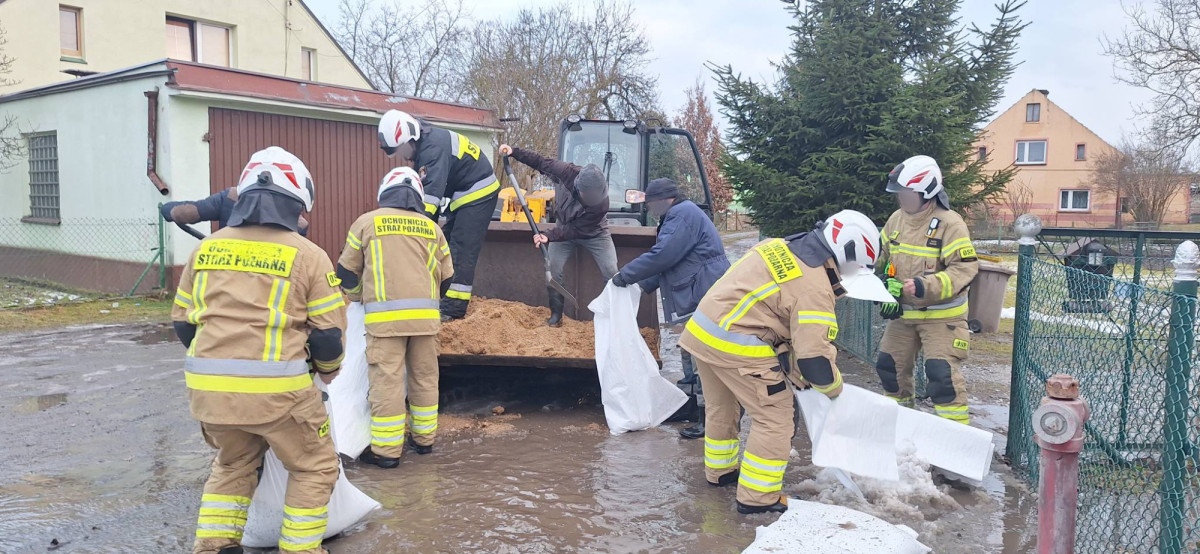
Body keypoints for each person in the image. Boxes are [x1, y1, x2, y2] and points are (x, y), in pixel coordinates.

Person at [171, 146, 347, 554]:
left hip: (211, 392)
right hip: (278, 395)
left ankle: (214, 547)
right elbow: (327, 337)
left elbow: (183, 324)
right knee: (315, 466)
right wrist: (326, 369)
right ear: (295, 202)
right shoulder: (309, 256)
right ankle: (299, 549)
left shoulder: (206, 248)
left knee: (233, 464)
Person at [679, 210, 895, 515]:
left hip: (703, 334)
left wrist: (795, 366)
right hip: (736, 342)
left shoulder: (780, 246)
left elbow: (778, 322)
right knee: (775, 417)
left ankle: (721, 473)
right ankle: (758, 498)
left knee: (722, 408)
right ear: (847, 257)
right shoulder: (816, 287)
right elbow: (814, 361)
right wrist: (835, 391)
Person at [336, 167, 454, 466]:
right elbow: (449, 278)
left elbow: (345, 272)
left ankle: (387, 453)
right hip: (425, 323)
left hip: (385, 322)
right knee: (425, 378)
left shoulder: (366, 223)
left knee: (387, 382)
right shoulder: (432, 228)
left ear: (384, 192)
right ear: (417, 196)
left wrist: (359, 295)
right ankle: (424, 442)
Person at [610, 178, 729, 439]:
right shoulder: (679, 215)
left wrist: (626, 275)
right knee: (688, 348)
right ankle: (687, 405)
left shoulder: (681, 216)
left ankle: (709, 418)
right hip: (698, 287)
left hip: (703, 291)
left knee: (701, 356)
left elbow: (664, 255)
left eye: (651, 204)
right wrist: (640, 285)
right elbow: (671, 262)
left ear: (664, 200)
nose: (650, 210)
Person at [876, 155, 979, 424]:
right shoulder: (896, 220)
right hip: (904, 316)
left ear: (926, 191)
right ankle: (901, 429)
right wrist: (883, 284)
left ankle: (955, 443)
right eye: (900, 193)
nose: (902, 198)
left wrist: (924, 286)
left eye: (907, 193)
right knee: (890, 369)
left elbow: (964, 270)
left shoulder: (950, 223)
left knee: (942, 377)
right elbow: (883, 258)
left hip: (943, 318)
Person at [377, 109, 499, 321]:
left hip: (479, 193)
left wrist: (412, 233)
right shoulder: (425, 146)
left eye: (401, 150)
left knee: (461, 249)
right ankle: (443, 297)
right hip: (463, 196)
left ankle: (453, 310)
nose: (402, 156)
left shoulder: (432, 150)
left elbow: (429, 202)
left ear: (411, 139)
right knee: (447, 244)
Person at [499, 143, 617, 326]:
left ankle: (615, 318)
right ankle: (556, 317)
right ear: (579, 187)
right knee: (552, 268)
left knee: (611, 270)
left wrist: (550, 235)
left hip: (595, 233)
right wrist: (514, 152)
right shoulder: (566, 172)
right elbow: (539, 161)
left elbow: (578, 230)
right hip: (563, 226)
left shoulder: (601, 204)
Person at [161, 187, 309, 236]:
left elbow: (184, 213)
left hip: (223, 281)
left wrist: (168, 211)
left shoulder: (231, 197)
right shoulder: (295, 217)